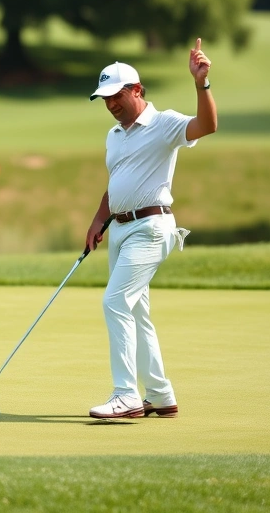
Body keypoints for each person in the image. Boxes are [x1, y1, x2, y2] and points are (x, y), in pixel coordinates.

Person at [83, 38, 217, 419]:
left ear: (137, 90)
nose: (110, 104)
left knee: (114, 302)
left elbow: (207, 125)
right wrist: (98, 219)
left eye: (116, 96)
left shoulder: (164, 124)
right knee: (136, 313)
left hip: (151, 227)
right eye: (104, 98)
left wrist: (201, 85)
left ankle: (125, 394)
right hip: (121, 231)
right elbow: (118, 180)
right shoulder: (114, 136)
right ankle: (159, 394)